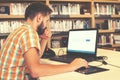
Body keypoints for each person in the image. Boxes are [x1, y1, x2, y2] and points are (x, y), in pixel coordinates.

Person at [0, 2, 88, 80]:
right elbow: (35, 71)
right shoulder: (29, 33)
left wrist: (44, 39)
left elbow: (36, 59)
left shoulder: (20, 30)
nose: (46, 25)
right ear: (39, 18)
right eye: (46, 20)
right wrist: (71, 66)